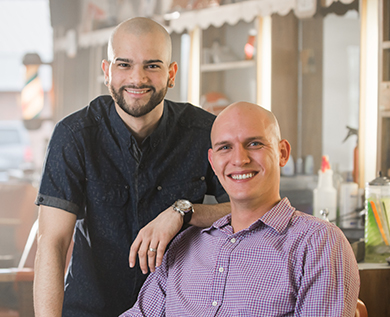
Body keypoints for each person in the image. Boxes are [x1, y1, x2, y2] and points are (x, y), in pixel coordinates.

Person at [33, 17, 229, 317]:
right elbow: (52, 242)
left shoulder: (205, 132)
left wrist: (184, 211)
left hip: (177, 309)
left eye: (152, 65)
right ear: (107, 71)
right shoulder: (74, 136)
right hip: (91, 310)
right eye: (124, 64)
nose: (137, 78)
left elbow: (250, 210)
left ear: (171, 73)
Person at [121, 102, 361, 317]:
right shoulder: (183, 246)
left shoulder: (318, 244)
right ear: (213, 162)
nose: (239, 159)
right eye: (225, 147)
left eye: (254, 143)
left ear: (282, 153)